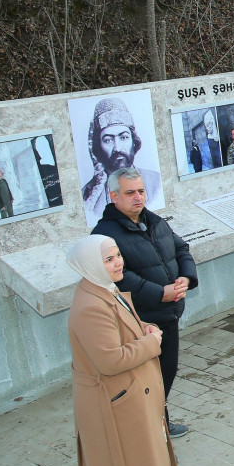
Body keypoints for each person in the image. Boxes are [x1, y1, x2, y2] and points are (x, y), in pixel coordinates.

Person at [66, 235, 196, 466]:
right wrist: (153, 343)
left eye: (118, 255)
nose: (118, 262)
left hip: (112, 399)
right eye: (109, 259)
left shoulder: (99, 288)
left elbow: (121, 331)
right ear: (93, 264)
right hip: (115, 400)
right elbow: (110, 360)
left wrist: (145, 328)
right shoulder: (91, 305)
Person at [93, 168, 199, 439]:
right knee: (144, 381)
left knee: (166, 372)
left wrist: (185, 278)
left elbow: (180, 248)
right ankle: (149, 431)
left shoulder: (153, 221)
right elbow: (117, 277)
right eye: (130, 193)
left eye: (141, 191)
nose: (138, 198)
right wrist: (157, 293)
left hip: (168, 314)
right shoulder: (104, 234)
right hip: (141, 320)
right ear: (114, 196)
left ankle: (159, 422)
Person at [82, 97, 164, 223]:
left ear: (134, 141)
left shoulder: (156, 181)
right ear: (98, 146)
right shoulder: (88, 195)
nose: (117, 148)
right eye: (108, 140)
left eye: (124, 137)